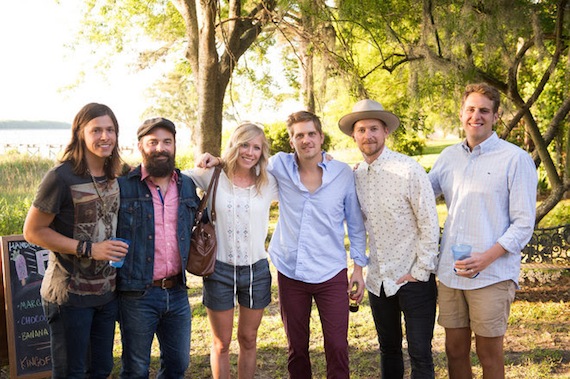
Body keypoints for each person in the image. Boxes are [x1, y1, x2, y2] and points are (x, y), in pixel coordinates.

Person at [428, 83, 537, 378]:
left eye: (484, 111)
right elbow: (421, 192)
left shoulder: (515, 159)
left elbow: (524, 223)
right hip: (452, 273)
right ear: (462, 114)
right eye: (471, 109)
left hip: (492, 274)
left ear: (496, 116)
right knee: (454, 350)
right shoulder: (449, 157)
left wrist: (486, 258)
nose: (477, 116)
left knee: (489, 354)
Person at [23, 103, 127, 378]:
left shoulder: (118, 173)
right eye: (96, 130)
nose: (104, 136)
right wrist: (90, 249)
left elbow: (158, 175)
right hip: (68, 295)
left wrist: (209, 165)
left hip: (106, 294)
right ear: (80, 133)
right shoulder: (60, 177)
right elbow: (32, 231)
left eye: (110, 130)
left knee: (101, 369)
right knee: (72, 372)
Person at [338, 99, 440, 378]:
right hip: (378, 279)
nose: (367, 135)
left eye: (374, 128)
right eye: (361, 130)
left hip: (413, 277)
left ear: (385, 132)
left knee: (420, 353)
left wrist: (420, 272)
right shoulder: (355, 176)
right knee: (388, 350)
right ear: (354, 136)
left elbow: (430, 222)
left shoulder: (408, 169)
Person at [268, 111, 368, 379]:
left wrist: (358, 269)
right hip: (291, 272)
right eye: (298, 135)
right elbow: (245, 162)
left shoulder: (342, 173)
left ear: (321, 137)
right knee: (296, 348)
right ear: (291, 141)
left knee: (336, 346)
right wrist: (217, 160)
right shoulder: (279, 166)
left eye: (311, 133)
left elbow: (356, 224)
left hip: (331, 272)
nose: (306, 140)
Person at [186, 122, 278, 379]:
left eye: (256, 147)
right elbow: (174, 178)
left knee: (248, 339)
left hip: (256, 271)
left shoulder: (269, 181)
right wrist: (207, 160)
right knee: (221, 343)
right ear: (234, 145)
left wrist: (326, 159)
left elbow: (302, 172)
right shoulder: (212, 175)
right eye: (245, 145)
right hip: (219, 270)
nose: (250, 152)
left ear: (262, 151)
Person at [116, 117, 200, 378]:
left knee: (178, 365)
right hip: (136, 294)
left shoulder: (186, 184)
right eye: (153, 142)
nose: (160, 148)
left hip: (177, 292)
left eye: (167, 142)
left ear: (175, 145)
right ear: (140, 146)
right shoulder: (123, 186)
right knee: (136, 369)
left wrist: (215, 160)